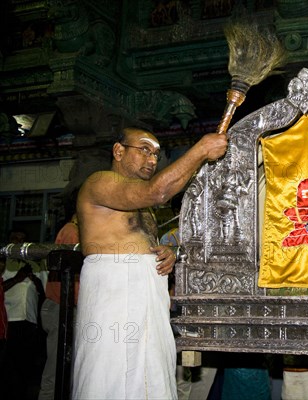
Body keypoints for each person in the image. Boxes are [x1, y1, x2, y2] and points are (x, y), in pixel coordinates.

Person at [72, 126, 227, 399]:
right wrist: (201, 150)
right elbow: (157, 192)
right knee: (111, 372)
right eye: (144, 149)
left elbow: (140, 239)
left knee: (152, 372)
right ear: (118, 151)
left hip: (147, 292)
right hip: (114, 290)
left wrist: (165, 253)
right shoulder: (100, 182)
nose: (152, 160)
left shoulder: (143, 205)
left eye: (156, 153)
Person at [0, 229, 47, 400]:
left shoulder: (36, 264)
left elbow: (45, 294)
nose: (19, 243)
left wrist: (35, 281)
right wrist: (18, 279)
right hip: (9, 323)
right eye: (15, 239)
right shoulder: (4, 264)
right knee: (8, 369)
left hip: (30, 322)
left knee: (26, 368)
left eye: (22, 239)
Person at [38, 212, 79, 400]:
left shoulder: (74, 230)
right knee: (56, 370)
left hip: (63, 307)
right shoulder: (72, 231)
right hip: (60, 307)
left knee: (65, 370)